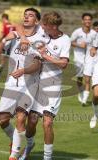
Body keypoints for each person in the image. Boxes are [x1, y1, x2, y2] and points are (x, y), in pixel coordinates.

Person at [0, 8, 50, 160]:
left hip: (29, 85)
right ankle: (15, 140)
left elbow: (37, 66)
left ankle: (14, 155)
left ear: (36, 21)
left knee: (20, 118)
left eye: (30, 15)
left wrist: (23, 70)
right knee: (2, 120)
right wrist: (6, 39)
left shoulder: (40, 39)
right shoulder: (16, 35)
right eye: (25, 15)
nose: (26, 17)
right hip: (11, 84)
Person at [13, 12, 71, 160]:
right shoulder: (42, 35)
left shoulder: (65, 40)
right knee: (32, 121)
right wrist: (25, 40)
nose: (42, 27)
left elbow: (63, 64)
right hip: (35, 84)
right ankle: (29, 145)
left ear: (53, 26)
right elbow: (18, 26)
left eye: (45, 25)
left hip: (52, 85)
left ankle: (47, 157)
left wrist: (46, 57)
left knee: (47, 122)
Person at [70, 13, 97, 105]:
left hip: (90, 59)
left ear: (91, 21)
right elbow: (71, 42)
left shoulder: (94, 33)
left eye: (89, 19)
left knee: (88, 79)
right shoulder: (77, 32)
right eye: (86, 19)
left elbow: (97, 45)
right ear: (82, 21)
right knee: (79, 79)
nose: (87, 21)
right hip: (78, 59)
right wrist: (79, 45)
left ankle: (84, 100)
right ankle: (80, 93)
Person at [0, 13, 15, 78]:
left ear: (4, 18)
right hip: (14, 43)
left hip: (7, 43)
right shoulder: (12, 25)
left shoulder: (5, 25)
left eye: (2, 19)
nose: (1, 20)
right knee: (8, 58)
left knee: (3, 58)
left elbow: (2, 34)